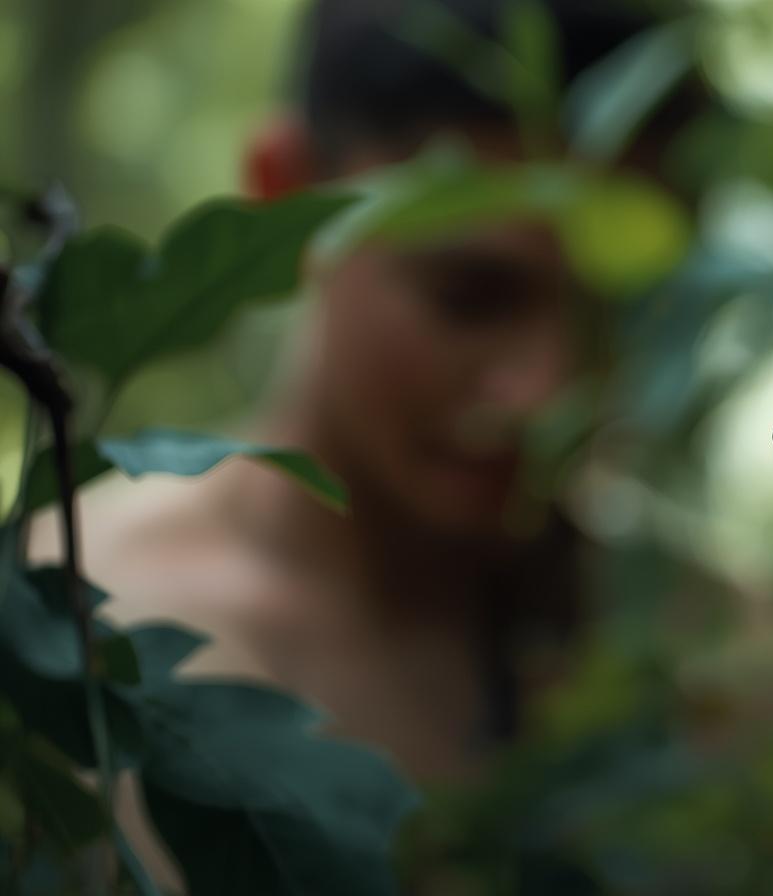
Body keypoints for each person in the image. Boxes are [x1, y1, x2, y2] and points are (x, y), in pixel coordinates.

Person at [31, 0, 691, 863]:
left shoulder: (712, 659)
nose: (549, 392)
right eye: (471, 295)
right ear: (288, 199)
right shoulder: (60, 638)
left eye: (623, 310)